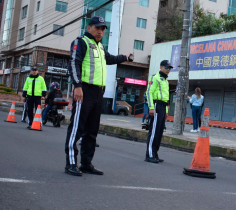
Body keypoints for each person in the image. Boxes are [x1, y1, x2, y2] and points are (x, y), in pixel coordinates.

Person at [64, 16, 132, 176]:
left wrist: (125, 57)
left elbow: (110, 59)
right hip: (84, 90)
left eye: (102, 29)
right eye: (97, 27)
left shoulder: (100, 47)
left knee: (92, 130)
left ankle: (86, 163)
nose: (100, 31)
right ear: (89, 28)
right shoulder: (81, 42)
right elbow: (74, 63)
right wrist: (78, 86)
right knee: (77, 128)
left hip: (98, 92)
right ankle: (71, 163)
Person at [145, 60, 171, 163]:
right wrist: (151, 107)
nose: (168, 69)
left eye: (169, 68)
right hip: (156, 105)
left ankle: (155, 154)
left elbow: (165, 97)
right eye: (166, 67)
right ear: (161, 67)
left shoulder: (166, 80)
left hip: (163, 107)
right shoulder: (154, 77)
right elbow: (149, 92)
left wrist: (166, 110)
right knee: (154, 131)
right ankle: (150, 155)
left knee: (159, 132)